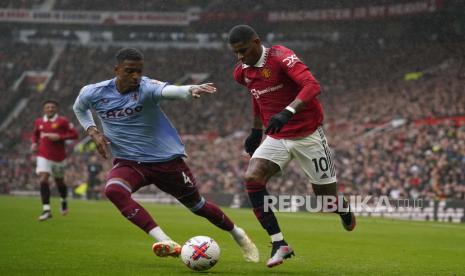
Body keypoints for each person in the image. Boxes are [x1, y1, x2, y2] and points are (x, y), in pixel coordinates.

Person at [73, 47, 259, 262]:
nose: (135, 76)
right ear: (116, 69)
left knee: (197, 206)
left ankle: (239, 234)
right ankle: (166, 241)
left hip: (166, 162)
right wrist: (92, 130)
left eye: (139, 71)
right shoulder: (93, 92)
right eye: (129, 71)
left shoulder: (146, 87)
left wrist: (190, 89)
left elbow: (170, 91)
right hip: (130, 162)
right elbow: (80, 108)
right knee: (114, 190)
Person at [228, 25, 356, 267]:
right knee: (252, 179)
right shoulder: (241, 72)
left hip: (308, 134)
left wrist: (287, 111)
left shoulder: (281, 56)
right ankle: (279, 244)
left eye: (243, 50)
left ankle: (342, 208)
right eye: (235, 53)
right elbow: (258, 97)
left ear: (256, 42)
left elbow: (312, 86)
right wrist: (256, 131)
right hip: (277, 136)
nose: (240, 57)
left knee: (326, 202)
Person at [31, 100, 78, 221]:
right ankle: (46, 210)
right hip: (43, 155)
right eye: (48, 107)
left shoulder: (63, 121)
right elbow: (35, 135)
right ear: (44, 109)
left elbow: (75, 134)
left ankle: (63, 200)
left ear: (56, 109)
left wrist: (60, 137)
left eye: (52, 107)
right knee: (43, 178)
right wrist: (34, 144)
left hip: (59, 157)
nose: (50, 109)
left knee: (60, 182)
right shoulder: (39, 122)